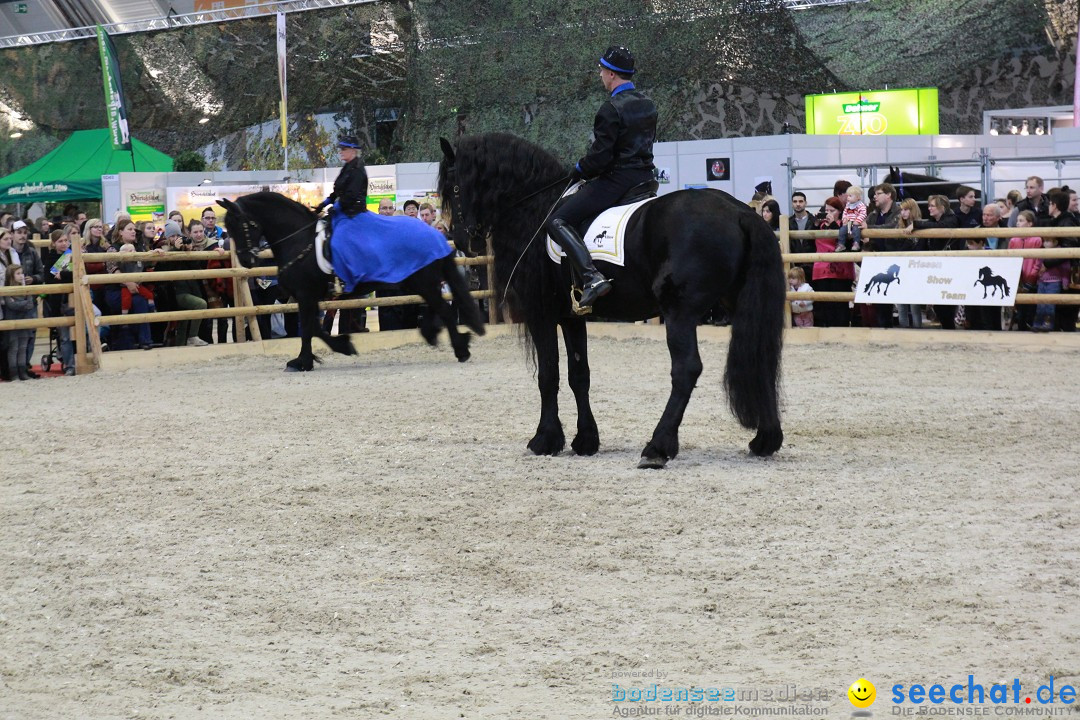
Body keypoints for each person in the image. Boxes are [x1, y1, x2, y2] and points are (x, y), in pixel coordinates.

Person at [545, 45, 657, 309]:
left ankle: (591, 276)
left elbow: (601, 158)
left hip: (618, 180)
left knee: (558, 219)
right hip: (646, 178)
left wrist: (579, 169)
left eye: (601, 71)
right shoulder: (648, 104)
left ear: (611, 74)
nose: (600, 75)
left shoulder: (610, 109)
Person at [909, 194, 961, 329]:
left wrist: (916, 224)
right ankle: (947, 327)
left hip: (949, 268)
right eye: (929, 206)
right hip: (934, 267)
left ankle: (949, 328)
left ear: (942, 208)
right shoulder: (930, 222)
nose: (929, 208)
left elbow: (942, 226)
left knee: (946, 303)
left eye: (932, 206)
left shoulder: (952, 219)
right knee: (938, 303)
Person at [811, 196, 853, 327]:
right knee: (823, 306)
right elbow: (809, 244)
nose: (828, 214)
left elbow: (847, 243)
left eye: (832, 210)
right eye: (826, 210)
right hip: (821, 270)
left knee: (840, 306)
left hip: (840, 271)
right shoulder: (820, 226)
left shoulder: (845, 224)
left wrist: (834, 224)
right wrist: (815, 225)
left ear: (840, 211)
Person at [317, 136, 369, 221]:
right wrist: (324, 204)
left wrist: (337, 206)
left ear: (353, 150)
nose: (340, 152)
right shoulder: (347, 167)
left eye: (343, 149)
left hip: (354, 214)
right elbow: (338, 191)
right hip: (345, 211)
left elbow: (351, 195)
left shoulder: (357, 169)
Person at [3, 264, 36, 380]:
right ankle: (14, 373)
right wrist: (24, 303)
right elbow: (11, 304)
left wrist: (21, 304)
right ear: (11, 276)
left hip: (25, 319)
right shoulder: (7, 288)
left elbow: (31, 304)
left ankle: (23, 372)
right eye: (18, 274)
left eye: (22, 273)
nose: (21, 276)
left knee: (23, 347)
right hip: (12, 320)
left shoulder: (25, 288)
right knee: (14, 348)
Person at [894, 199, 924, 329]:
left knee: (914, 305)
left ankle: (918, 329)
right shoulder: (898, 227)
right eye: (901, 210)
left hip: (916, 268)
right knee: (901, 305)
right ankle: (903, 329)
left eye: (906, 209)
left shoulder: (922, 225)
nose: (903, 212)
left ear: (913, 210)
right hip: (902, 269)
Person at [836, 185, 867, 252]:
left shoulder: (861, 205)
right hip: (848, 222)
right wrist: (844, 218)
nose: (848, 198)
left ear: (858, 197)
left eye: (850, 196)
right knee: (842, 230)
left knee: (856, 230)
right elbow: (845, 212)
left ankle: (856, 243)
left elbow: (863, 213)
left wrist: (858, 220)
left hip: (856, 223)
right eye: (847, 196)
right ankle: (841, 244)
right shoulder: (848, 205)